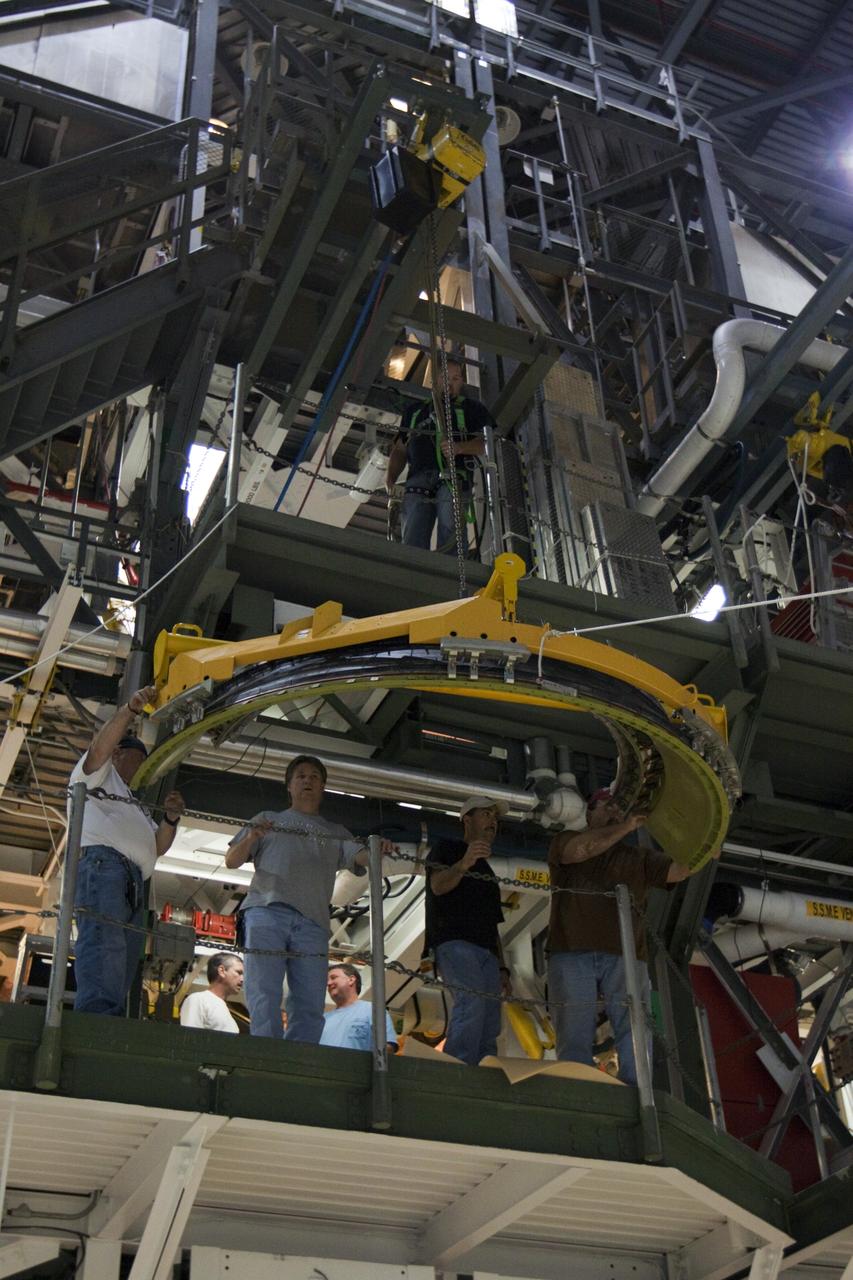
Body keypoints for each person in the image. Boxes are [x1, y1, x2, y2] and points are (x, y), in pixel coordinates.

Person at [225, 755, 395, 1043]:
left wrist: (380, 848)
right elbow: (232, 860)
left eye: (315, 777)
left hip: (313, 922)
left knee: (310, 1000)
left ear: (323, 787)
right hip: (267, 911)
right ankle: (265, 1049)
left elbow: (361, 857)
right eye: (301, 776)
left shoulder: (336, 832)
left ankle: (300, 1056)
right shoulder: (268, 819)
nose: (308, 780)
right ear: (289, 786)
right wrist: (251, 838)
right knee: (263, 988)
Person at [547, 787, 709, 1085]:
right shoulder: (565, 841)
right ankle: (575, 1086)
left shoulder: (640, 858)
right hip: (573, 950)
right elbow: (581, 850)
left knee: (634, 1025)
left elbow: (678, 870)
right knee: (574, 1028)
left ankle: (637, 1090)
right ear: (589, 812)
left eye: (619, 808)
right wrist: (626, 827)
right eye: (606, 806)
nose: (614, 811)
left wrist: (708, 841)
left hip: (624, 954)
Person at [69, 684, 185, 1016]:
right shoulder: (96, 775)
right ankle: (97, 1016)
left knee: (122, 954)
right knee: (104, 942)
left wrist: (171, 820)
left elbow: (158, 847)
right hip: (105, 866)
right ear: (118, 753)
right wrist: (130, 710)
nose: (139, 769)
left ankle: (108, 1016)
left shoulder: (133, 803)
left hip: (132, 880)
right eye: (136, 760)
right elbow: (98, 749)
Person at [424, 795, 510, 1065]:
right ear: (467, 819)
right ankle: (458, 1067)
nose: (492, 822)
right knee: (471, 1004)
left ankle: (484, 1069)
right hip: (455, 942)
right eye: (486, 814)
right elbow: (437, 886)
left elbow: (493, 924)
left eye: (494, 817)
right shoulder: (446, 849)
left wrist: (502, 968)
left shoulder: (489, 872)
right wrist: (464, 863)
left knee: (490, 1017)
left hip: (487, 952)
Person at [384, 355, 493, 554]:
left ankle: (450, 574)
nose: (450, 383)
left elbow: (488, 444)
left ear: (461, 382)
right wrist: (390, 479)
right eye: (445, 377)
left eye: (456, 378)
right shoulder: (415, 411)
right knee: (413, 536)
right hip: (418, 479)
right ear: (434, 381)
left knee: (450, 529)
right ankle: (415, 574)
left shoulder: (472, 409)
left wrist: (459, 448)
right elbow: (400, 449)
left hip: (454, 477)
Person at [320, 963, 398, 1052]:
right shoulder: (323, 1019)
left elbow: (388, 1047)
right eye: (327, 980)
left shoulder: (373, 1010)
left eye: (333, 977)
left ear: (351, 980)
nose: (328, 983)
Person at [180, 953, 244, 1034]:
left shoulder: (229, 1017)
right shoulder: (198, 1000)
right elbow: (189, 1039)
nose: (242, 979)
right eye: (238, 972)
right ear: (222, 971)